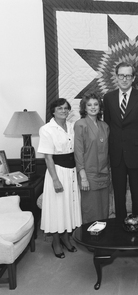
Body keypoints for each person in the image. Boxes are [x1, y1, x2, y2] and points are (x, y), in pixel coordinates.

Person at [103, 62, 138, 221]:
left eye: (128, 76)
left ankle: (137, 224)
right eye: (121, 75)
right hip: (116, 155)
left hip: (137, 156)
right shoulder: (108, 97)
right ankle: (120, 226)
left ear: (133, 78)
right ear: (116, 77)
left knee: (137, 193)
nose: (124, 79)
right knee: (118, 194)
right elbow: (107, 127)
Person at [38, 98, 82, 259]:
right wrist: (55, 180)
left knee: (68, 206)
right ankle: (56, 241)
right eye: (59, 108)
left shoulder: (72, 126)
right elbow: (48, 158)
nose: (63, 111)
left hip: (71, 172)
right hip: (57, 172)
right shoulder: (46, 129)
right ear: (53, 111)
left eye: (65, 108)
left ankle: (66, 237)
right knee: (57, 207)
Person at [74, 93, 110, 224]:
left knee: (103, 209)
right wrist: (83, 177)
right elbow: (78, 152)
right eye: (89, 105)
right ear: (84, 108)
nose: (93, 107)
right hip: (88, 175)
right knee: (91, 210)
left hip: (104, 174)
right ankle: (90, 241)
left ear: (100, 107)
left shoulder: (104, 126)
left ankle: (103, 241)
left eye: (96, 104)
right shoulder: (80, 125)